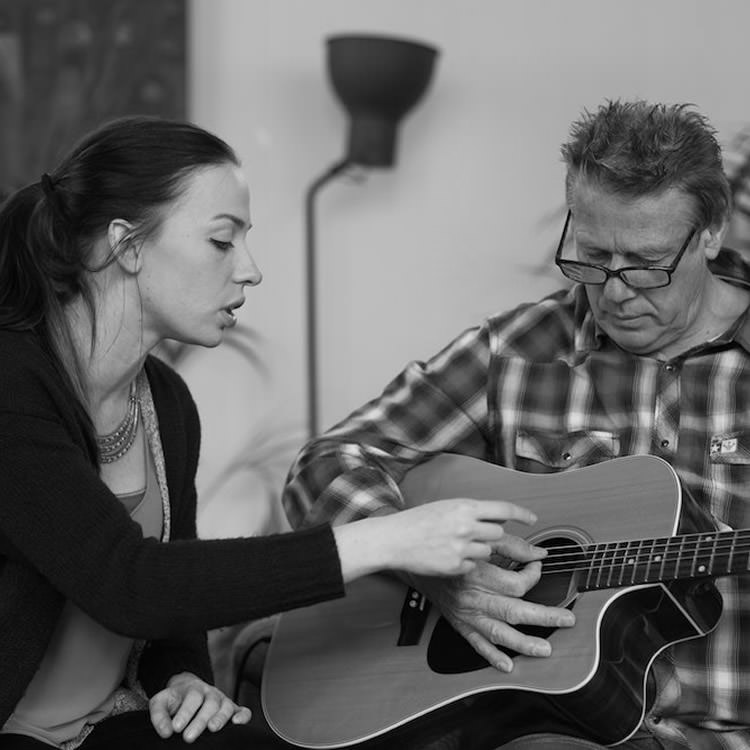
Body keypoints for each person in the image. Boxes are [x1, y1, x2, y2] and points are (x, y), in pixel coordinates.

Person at [0, 115, 544, 750]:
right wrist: (388, 538)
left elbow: (174, 608)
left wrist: (182, 677)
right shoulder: (12, 381)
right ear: (128, 246)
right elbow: (128, 583)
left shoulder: (165, 403)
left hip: (104, 727)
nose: (251, 270)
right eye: (221, 241)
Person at [283, 99, 750, 750]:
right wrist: (429, 569)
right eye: (592, 256)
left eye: (646, 264)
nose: (615, 292)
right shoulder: (515, 351)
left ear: (711, 232)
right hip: (558, 733)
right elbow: (328, 463)